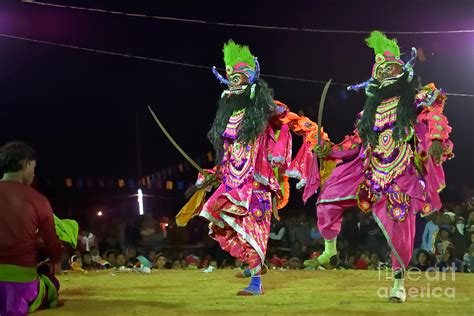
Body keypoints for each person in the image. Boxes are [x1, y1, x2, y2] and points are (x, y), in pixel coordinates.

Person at [303, 31, 454, 303]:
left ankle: (398, 284)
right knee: (328, 196)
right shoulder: (368, 114)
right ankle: (329, 250)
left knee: (399, 230)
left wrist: (436, 139)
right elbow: (356, 142)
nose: (385, 73)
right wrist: (330, 150)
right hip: (368, 171)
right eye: (381, 70)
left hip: (400, 173)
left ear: (402, 70)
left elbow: (435, 115)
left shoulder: (415, 99)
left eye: (391, 68)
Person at [175, 40, 299, 295]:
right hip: (233, 181)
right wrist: (212, 175)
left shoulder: (266, 110)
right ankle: (253, 265)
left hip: (257, 182)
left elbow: (289, 122)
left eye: (240, 77)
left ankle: (255, 283)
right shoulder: (229, 118)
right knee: (216, 216)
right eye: (230, 77)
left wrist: (308, 135)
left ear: (252, 81)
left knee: (255, 229)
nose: (234, 81)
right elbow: (229, 156)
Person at [0, 141, 64, 314]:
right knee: (52, 283)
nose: (34, 174)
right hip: (22, 284)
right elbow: (54, 249)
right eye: (34, 168)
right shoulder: (38, 200)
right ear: (25, 163)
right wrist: (55, 256)